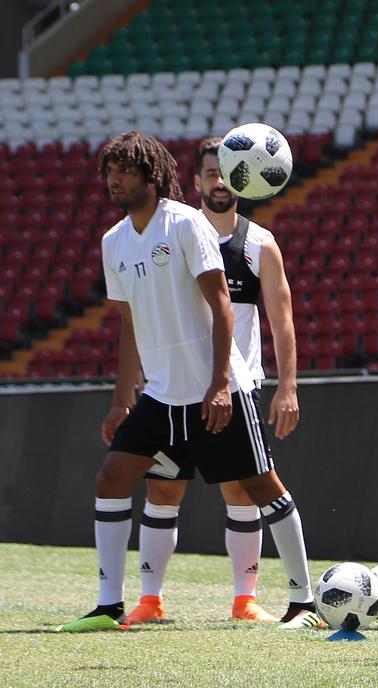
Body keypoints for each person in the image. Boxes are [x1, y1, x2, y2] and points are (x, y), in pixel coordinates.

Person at [58, 132, 298, 632]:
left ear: (151, 174)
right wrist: (123, 399)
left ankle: (305, 602)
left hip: (217, 390)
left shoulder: (186, 223)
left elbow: (222, 307)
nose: (113, 179)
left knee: (260, 487)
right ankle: (109, 604)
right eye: (108, 171)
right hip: (160, 397)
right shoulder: (113, 241)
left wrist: (218, 385)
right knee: (113, 478)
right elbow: (130, 326)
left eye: (123, 169)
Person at [122, 137, 320, 629]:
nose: (218, 181)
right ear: (195, 182)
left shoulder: (259, 244)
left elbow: (283, 320)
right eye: (209, 172)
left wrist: (288, 386)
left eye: (226, 173)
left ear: (242, 180)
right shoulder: (175, 236)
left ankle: (246, 600)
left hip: (234, 387)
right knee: (162, 490)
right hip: (172, 391)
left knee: (243, 490)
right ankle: (149, 601)